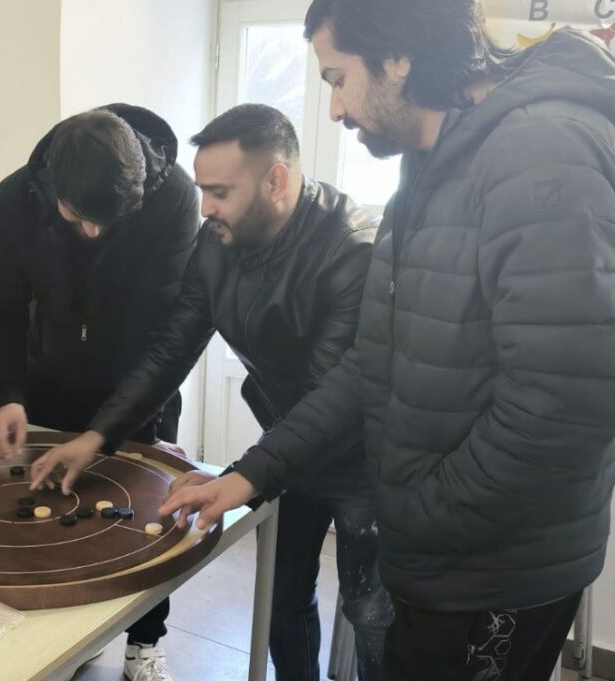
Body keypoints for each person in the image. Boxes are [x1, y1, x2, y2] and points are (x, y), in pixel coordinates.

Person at [162, 3, 615, 679]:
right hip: (438, 560)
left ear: (399, 58)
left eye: (338, 78)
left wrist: (420, 511)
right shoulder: (427, 170)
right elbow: (369, 362)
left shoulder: (537, 150)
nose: (337, 109)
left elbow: (564, 407)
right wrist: (249, 474)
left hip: (493, 573)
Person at [28, 104, 391, 680]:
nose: (205, 207)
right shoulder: (218, 240)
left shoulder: (353, 251)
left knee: (372, 617)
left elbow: (331, 399)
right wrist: (98, 435)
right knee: (284, 598)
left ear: (276, 180)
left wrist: (241, 477)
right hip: (289, 449)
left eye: (219, 191)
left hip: (368, 463)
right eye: (202, 189)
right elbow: (174, 344)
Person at [0, 104, 199, 681]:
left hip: (139, 387)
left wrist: (108, 431)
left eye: (109, 220)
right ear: (54, 186)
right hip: (46, 382)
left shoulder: (171, 195)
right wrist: (9, 396)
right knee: (51, 521)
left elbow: (169, 332)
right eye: (79, 217)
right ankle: (79, 633)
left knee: (145, 521)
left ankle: (145, 641)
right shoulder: (15, 200)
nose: (94, 233)